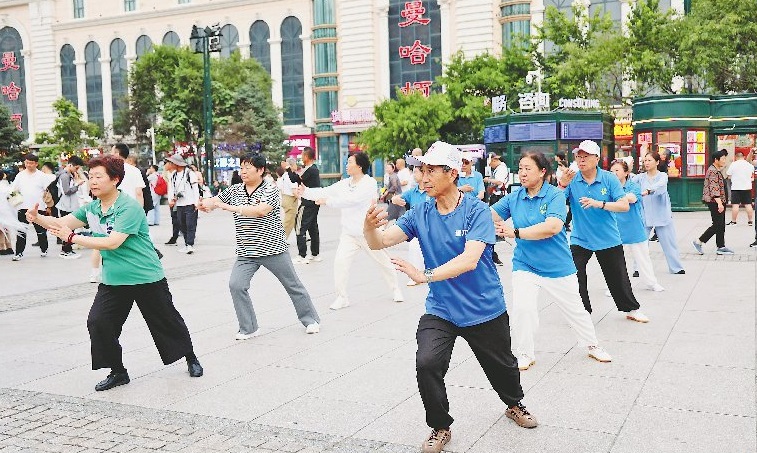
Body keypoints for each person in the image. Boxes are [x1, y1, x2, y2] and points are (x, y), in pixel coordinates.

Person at [364, 141, 537, 453]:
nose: (423, 177)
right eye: (422, 170)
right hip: (442, 308)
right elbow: (381, 242)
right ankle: (440, 426)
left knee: (504, 368)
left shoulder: (476, 211)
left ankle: (514, 404)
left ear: (452, 173)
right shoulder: (420, 212)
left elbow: (469, 260)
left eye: (431, 170)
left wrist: (424, 275)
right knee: (427, 362)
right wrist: (369, 228)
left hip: (484, 307)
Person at [25, 155, 203, 391]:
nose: (93, 181)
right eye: (91, 176)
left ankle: (190, 357)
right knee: (99, 322)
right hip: (114, 279)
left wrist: (73, 238)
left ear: (115, 179)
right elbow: (62, 223)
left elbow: (112, 242)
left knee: (167, 321)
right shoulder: (92, 208)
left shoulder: (128, 207)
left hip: (145, 276)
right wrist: (37, 218)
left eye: (99, 176)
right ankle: (118, 371)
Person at [491, 152, 612, 370]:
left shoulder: (554, 195)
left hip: (557, 266)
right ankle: (525, 353)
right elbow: (489, 214)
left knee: (576, 309)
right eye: (520, 168)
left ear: (542, 172)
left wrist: (515, 232)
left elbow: (553, 227)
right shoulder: (514, 197)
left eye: (528, 168)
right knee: (523, 309)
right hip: (525, 264)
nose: (522, 173)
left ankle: (592, 345)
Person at [200, 153, 321, 338]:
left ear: (260, 170)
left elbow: (260, 211)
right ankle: (249, 327)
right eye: (241, 168)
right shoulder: (235, 190)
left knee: (292, 285)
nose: (243, 172)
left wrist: (230, 207)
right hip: (246, 251)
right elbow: (216, 200)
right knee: (236, 285)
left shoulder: (270, 189)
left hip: (273, 249)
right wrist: (205, 204)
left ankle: (311, 320)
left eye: (248, 168)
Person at [557, 140, 649, 322]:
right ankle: (582, 313)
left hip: (608, 237)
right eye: (578, 156)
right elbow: (556, 204)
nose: (581, 160)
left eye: (586, 156)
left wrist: (599, 204)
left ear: (597, 158)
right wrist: (562, 185)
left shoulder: (609, 178)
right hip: (580, 238)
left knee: (618, 277)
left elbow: (624, 206)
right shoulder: (572, 179)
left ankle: (631, 309)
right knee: (574, 275)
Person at [300, 152, 403, 310]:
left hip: (368, 232)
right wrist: (305, 191)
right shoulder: (345, 183)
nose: (346, 165)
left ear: (359, 166)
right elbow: (326, 191)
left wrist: (328, 201)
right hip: (349, 233)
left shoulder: (368, 183)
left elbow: (352, 200)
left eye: (349, 162)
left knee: (383, 262)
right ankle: (342, 297)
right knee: (340, 263)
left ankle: (395, 289)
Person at [610, 159, 666, 292]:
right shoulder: (608, 187)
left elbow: (632, 198)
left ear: (626, 173)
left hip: (634, 228)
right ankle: (613, 286)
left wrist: (617, 196)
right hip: (616, 229)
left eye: (617, 170)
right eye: (611, 171)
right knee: (615, 261)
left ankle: (651, 283)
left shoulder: (633, 186)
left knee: (643, 258)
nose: (614, 173)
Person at [634, 152, 686, 274]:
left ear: (657, 162)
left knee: (669, 242)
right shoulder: (640, 178)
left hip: (662, 213)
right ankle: (638, 269)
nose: (646, 163)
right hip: (644, 213)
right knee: (641, 243)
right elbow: (629, 183)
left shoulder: (662, 176)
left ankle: (676, 267)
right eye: (645, 160)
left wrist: (648, 190)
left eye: (649, 160)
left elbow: (660, 186)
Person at [10, 154, 55, 261]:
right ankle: (19, 253)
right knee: (21, 231)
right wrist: (15, 205)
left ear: (36, 164)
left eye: (31, 163)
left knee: (41, 231)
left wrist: (48, 206)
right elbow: (13, 190)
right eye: (27, 163)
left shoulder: (42, 176)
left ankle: (44, 249)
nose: (28, 165)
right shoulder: (20, 175)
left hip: (38, 207)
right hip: (23, 207)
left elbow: (48, 190)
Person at [391, 164, 428, 286]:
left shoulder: (431, 191)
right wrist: (395, 199)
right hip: (417, 228)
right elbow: (396, 198)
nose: (413, 175)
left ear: (423, 173)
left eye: (416, 172)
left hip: (432, 227)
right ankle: (416, 275)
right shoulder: (413, 192)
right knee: (414, 246)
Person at [693, 149, 733, 255]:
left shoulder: (716, 170)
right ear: (716, 160)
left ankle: (721, 246)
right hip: (715, 202)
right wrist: (719, 203)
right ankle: (699, 241)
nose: (724, 161)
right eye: (723, 159)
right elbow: (714, 188)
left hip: (719, 201)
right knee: (717, 224)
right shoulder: (713, 171)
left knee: (720, 224)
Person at [166, 154, 201, 254]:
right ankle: (186, 244)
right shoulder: (173, 175)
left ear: (177, 164)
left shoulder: (190, 173)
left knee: (190, 224)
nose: (170, 165)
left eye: (172, 163)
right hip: (179, 204)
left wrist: (196, 202)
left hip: (190, 203)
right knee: (181, 224)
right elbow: (171, 188)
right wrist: (171, 200)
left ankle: (190, 244)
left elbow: (195, 189)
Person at [56, 155, 86, 259]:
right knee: (68, 228)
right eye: (76, 168)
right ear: (70, 165)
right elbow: (66, 191)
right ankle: (66, 250)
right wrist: (77, 185)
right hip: (66, 206)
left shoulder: (67, 174)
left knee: (69, 228)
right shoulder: (65, 176)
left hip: (68, 205)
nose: (77, 170)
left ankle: (67, 249)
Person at [294, 147, 321, 264]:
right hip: (314, 202)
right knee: (312, 228)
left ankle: (302, 255)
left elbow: (298, 179)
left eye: (302, 155)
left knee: (299, 227)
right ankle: (315, 254)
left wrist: (291, 170)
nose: (301, 157)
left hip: (307, 203)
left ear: (306, 156)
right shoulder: (314, 169)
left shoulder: (310, 170)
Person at [483, 153, 510, 266]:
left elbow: (499, 182)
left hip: (499, 196)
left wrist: (488, 180)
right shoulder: (499, 168)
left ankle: (498, 234)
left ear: (494, 160)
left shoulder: (501, 168)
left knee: (494, 218)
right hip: (496, 195)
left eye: (491, 164)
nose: (491, 166)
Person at [726, 151, 754, 226]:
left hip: (736, 187)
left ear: (736, 157)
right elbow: (751, 174)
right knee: (748, 204)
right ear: (743, 157)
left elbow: (728, 175)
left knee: (735, 205)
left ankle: (734, 221)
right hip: (747, 187)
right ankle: (750, 221)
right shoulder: (749, 165)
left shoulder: (733, 164)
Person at [279, 158, 301, 239]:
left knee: (293, 220)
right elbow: (294, 191)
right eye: (295, 164)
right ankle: (281, 239)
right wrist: (302, 199)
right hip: (290, 200)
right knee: (289, 222)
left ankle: (302, 236)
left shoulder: (285, 175)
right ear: (291, 165)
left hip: (285, 198)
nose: (296, 166)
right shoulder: (290, 176)